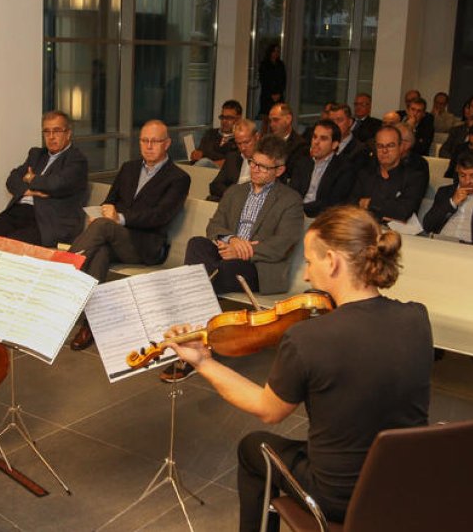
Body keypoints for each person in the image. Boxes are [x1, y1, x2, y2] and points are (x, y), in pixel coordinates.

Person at [164, 206, 432, 531]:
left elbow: (268, 410)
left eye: (308, 261)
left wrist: (203, 362)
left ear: (332, 261)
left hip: (339, 496)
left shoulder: (308, 338)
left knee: (253, 447)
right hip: (407, 482)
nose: (306, 275)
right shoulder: (417, 317)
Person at [67, 121, 191, 350]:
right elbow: (110, 199)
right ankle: (90, 325)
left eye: (155, 141)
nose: (149, 146)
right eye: (144, 140)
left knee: (104, 228)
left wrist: (118, 218)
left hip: (148, 246)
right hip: (116, 240)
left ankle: (64, 271)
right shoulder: (129, 168)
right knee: (100, 252)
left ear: (167, 144)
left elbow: (160, 216)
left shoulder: (179, 177)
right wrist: (101, 213)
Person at [185, 134, 304, 296]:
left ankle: (189, 295)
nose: (254, 170)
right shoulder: (235, 191)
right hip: (225, 254)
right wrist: (232, 240)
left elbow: (282, 245)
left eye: (263, 167)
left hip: (258, 266)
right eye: (253, 163)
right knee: (197, 244)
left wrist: (243, 250)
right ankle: (197, 294)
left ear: (279, 170)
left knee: (220, 270)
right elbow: (214, 225)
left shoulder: (290, 200)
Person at [0, 111, 88, 246]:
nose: (51, 137)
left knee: (11, 245)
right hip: (18, 212)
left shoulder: (77, 160)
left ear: (68, 133)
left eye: (57, 131)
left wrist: (31, 179)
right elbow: (12, 180)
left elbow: (56, 184)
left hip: (48, 220)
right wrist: (28, 192)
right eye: (47, 132)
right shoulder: (37, 154)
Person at [351, 125, 429, 224]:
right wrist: (386, 209)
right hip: (364, 228)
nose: (384, 151)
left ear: (400, 147)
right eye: (380, 146)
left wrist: (370, 203)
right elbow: (352, 206)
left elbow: (403, 212)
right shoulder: (364, 173)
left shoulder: (414, 177)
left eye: (390, 145)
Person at [288, 120, 357, 218]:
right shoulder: (303, 163)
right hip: (295, 214)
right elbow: (292, 193)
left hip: (322, 218)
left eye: (323, 139)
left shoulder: (344, 168)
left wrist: (300, 208)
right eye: (314, 137)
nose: (316, 142)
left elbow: (332, 203)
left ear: (334, 144)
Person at [209, 119, 259, 201]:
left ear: (257, 137)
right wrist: (234, 195)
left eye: (246, 142)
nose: (243, 148)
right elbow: (215, 185)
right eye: (239, 143)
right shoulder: (232, 157)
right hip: (233, 201)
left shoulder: (267, 160)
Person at [439, 94, 473, 159]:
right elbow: (443, 151)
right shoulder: (456, 130)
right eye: (472, 106)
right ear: (468, 109)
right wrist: (456, 161)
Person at [191, 100, 241, 167]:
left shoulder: (240, 139)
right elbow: (199, 153)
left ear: (238, 119)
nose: (224, 121)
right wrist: (196, 154)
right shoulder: (210, 134)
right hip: (201, 170)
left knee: (204, 162)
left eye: (229, 118)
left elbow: (232, 162)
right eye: (222, 117)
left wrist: (209, 164)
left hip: (222, 173)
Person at [257, 44, 287, 119]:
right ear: (270, 52)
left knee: (278, 116)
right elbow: (263, 80)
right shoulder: (264, 64)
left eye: (278, 51)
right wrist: (271, 94)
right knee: (266, 117)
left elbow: (283, 80)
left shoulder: (280, 64)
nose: (276, 53)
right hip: (267, 94)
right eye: (274, 51)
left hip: (279, 94)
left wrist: (279, 93)